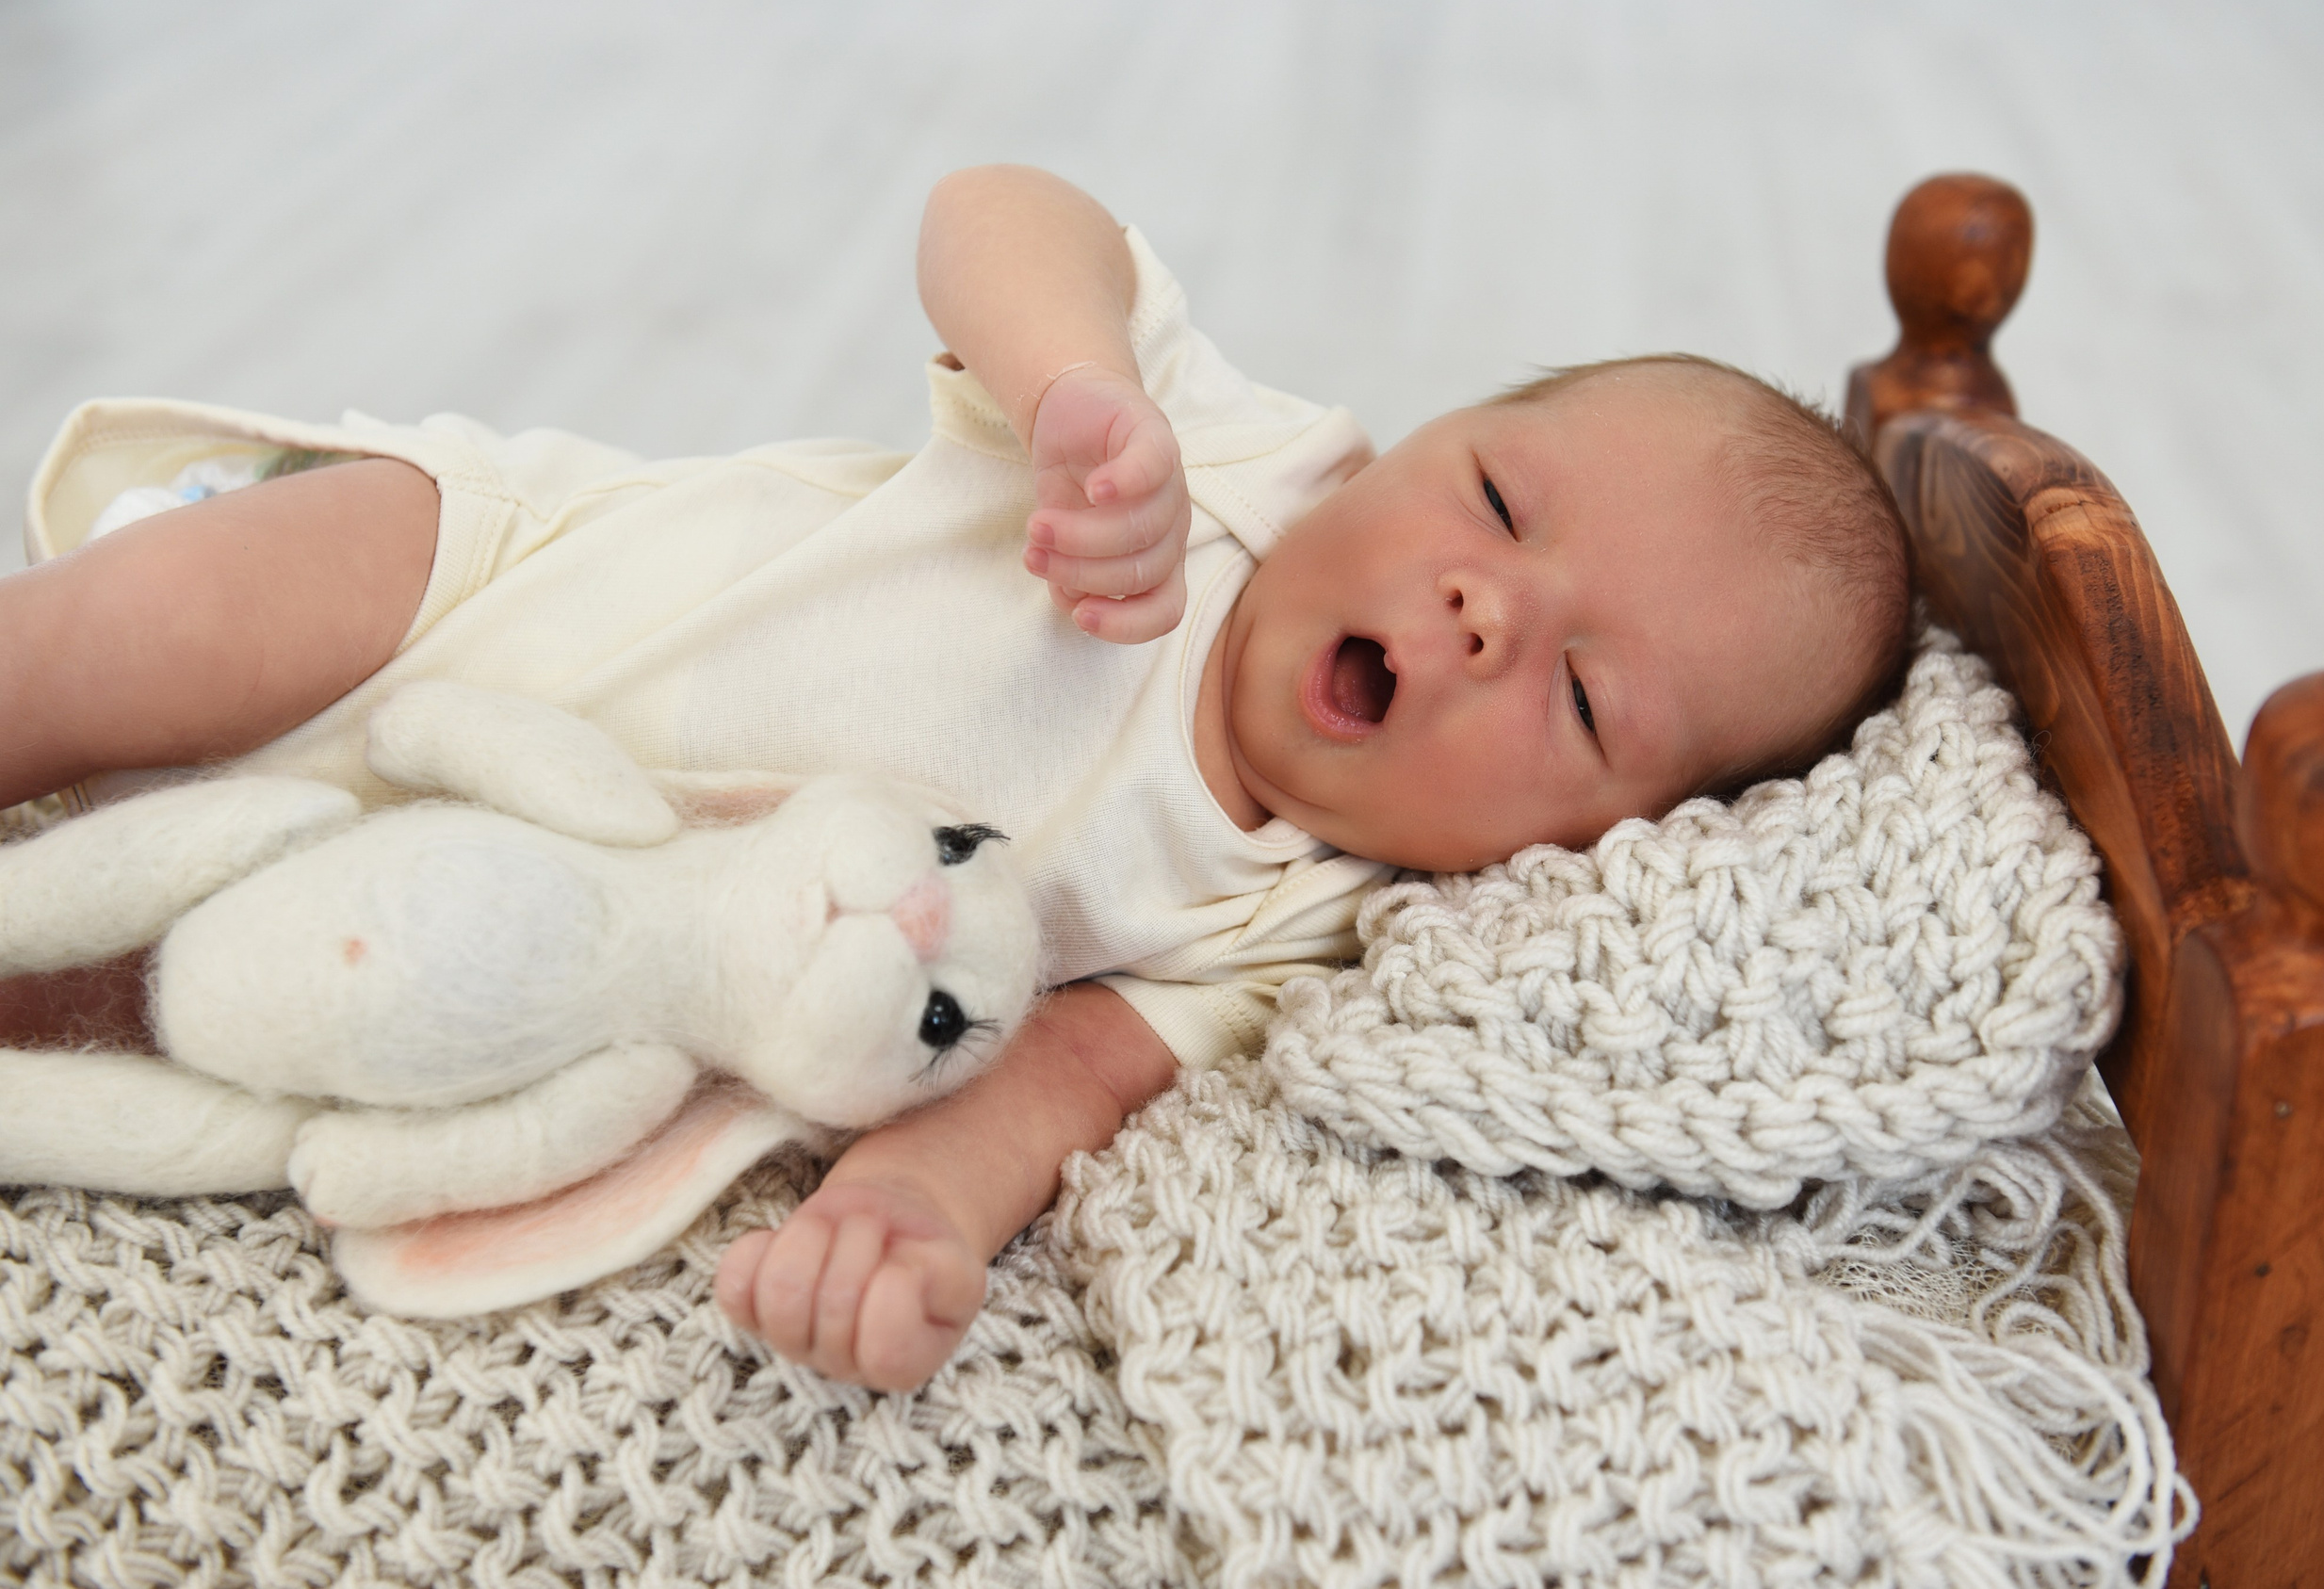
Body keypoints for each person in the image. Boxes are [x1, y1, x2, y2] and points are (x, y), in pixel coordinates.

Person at [0, 165, 1910, 1392]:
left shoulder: (1285, 922)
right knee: (115, 650)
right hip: (470, 588)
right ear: (1419, 443)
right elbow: (998, 205)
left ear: (1582, 850)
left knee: (157, 984)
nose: (1484, 609)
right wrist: (1079, 384)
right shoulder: (1227, 466)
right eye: (1494, 498)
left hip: (498, 897)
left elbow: (1061, 1081)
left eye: (1578, 703)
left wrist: (917, 1216)